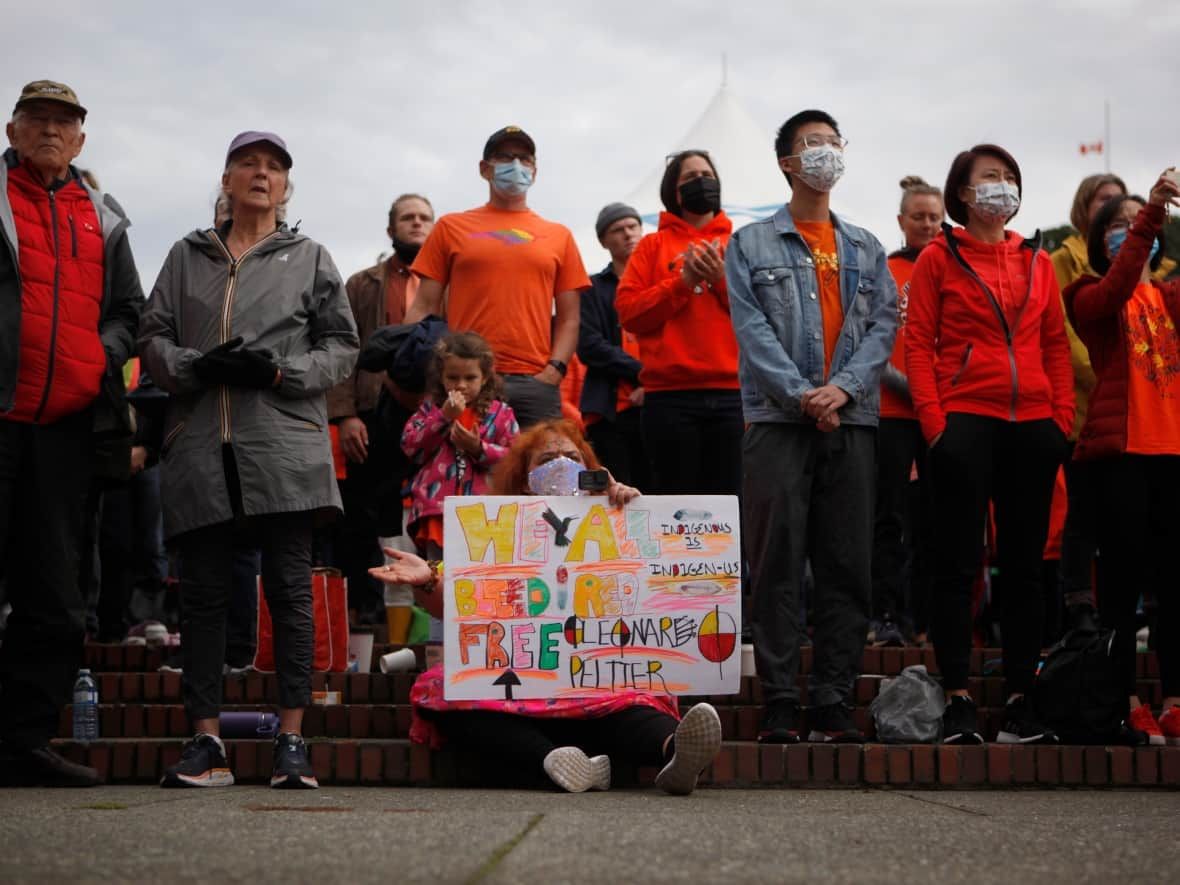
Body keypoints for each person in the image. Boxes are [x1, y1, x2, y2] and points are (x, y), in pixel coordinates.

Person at [139, 130, 359, 789]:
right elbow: (151, 335)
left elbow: (342, 348)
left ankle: (292, 737)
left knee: (290, 591)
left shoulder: (312, 256)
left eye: (274, 168)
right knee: (203, 596)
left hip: (284, 445)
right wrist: (193, 365)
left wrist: (279, 375)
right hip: (202, 443)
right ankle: (206, 744)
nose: (261, 174)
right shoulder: (184, 256)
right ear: (227, 181)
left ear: (286, 188)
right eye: (247, 164)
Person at [371, 418, 722, 794]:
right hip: (519, 694)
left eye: (572, 457)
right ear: (525, 479)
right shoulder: (494, 533)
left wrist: (635, 516)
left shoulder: (616, 520)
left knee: (633, 699)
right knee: (444, 690)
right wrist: (427, 578)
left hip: (596, 690)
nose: (561, 465)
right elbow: (455, 604)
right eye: (549, 458)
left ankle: (676, 753)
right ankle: (558, 763)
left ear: (592, 473)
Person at [726, 109, 898, 744]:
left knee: (845, 563)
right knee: (775, 562)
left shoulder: (865, 246)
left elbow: (883, 329)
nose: (826, 153)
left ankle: (831, 699)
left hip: (851, 419)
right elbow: (752, 332)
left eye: (834, 142)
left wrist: (842, 389)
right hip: (777, 420)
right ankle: (778, 699)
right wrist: (803, 395)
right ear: (787, 164)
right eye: (812, 145)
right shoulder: (750, 243)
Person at [905, 143, 1073, 744]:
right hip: (963, 423)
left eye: (1009, 178)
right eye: (989, 178)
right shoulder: (938, 259)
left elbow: (1054, 342)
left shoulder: (1039, 261)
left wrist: (1060, 421)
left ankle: (1022, 700)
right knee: (955, 567)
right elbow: (918, 344)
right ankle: (957, 698)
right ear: (963, 193)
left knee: (1026, 570)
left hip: (1033, 427)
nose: (1002, 188)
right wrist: (936, 427)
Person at [0, 81, 142, 787]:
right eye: (38, 119)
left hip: (65, 428)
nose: (51, 131)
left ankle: (20, 743)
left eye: (65, 122)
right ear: (13, 128)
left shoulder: (103, 216)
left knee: (56, 598)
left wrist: (103, 355)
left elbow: (128, 310)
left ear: (81, 139)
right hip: (0, 415)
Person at [1062, 172, 1180, 746]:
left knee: (1174, 584)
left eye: (1137, 222)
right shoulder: (1088, 293)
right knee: (1121, 585)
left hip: (1172, 456)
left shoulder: (1169, 296)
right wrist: (1151, 213)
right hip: (1120, 458)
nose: (1133, 231)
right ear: (1096, 238)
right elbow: (1116, 286)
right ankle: (1124, 700)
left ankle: (1175, 702)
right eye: (1119, 224)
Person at [407, 127, 589, 429]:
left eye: (524, 158)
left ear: (535, 170)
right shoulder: (451, 227)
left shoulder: (560, 236)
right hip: (466, 379)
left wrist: (555, 369)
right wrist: (411, 365)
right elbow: (423, 307)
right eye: (505, 157)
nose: (516, 165)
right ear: (484, 168)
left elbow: (570, 317)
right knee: (462, 474)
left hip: (535, 382)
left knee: (543, 473)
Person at [328, 193, 435, 621]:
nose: (416, 223)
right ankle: (366, 614)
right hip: (371, 413)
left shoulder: (448, 283)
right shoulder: (361, 283)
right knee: (361, 516)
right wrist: (345, 413)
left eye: (425, 218)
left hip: (432, 416)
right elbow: (343, 350)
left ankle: (434, 615)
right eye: (407, 217)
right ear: (390, 230)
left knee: (432, 512)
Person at [615, 151, 742, 495]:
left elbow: (763, 319)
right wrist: (681, 283)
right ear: (675, 191)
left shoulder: (743, 245)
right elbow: (629, 313)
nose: (701, 181)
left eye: (706, 174)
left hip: (734, 396)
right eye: (689, 178)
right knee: (674, 507)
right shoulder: (651, 246)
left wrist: (720, 281)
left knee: (731, 505)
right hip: (669, 398)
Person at [1051, 174, 1127, 628]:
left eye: (1122, 202)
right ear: (1086, 208)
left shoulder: (1154, 266)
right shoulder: (1064, 260)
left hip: (1136, 418)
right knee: (1081, 515)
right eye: (1105, 201)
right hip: (1084, 411)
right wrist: (1113, 374)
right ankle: (1079, 605)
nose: (1115, 208)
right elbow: (1065, 331)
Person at [871, 176, 944, 648]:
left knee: (937, 522)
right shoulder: (884, 269)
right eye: (918, 216)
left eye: (934, 216)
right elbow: (870, 342)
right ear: (902, 221)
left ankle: (930, 620)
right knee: (888, 519)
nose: (926, 223)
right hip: (893, 411)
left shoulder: (955, 269)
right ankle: (885, 616)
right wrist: (917, 392)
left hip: (948, 412)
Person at [402, 331, 519, 560]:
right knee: (440, 578)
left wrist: (479, 448)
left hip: (486, 514)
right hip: (438, 512)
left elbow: (516, 460)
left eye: (470, 377)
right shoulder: (429, 410)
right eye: (453, 377)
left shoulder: (501, 414)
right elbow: (410, 448)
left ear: (484, 377)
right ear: (441, 377)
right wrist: (443, 417)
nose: (461, 385)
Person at [577, 202, 649, 488]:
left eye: (633, 226)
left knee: (657, 491)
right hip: (608, 410)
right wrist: (643, 373)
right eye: (618, 230)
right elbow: (589, 345)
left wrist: (652, 384)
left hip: (657, 405)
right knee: (610, 492)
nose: (628, 234)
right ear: (603, 240)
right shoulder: (591, 288)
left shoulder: (661, 283)